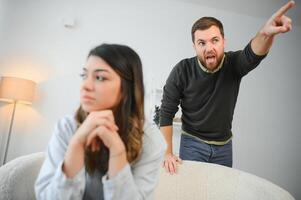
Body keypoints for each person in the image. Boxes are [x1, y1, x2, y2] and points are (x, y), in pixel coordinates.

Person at [160, 1, 295, 174]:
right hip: (192, 142)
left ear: (224, 41)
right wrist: (167, 153)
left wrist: (265, 34)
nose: (209, 48)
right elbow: (166, 111)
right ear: (194, 46)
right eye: (201, 43)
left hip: (224, 146)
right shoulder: (182, 70)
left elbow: (252, 54)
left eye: (214, 40)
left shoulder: (233, 64)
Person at [35, 43, 166, 199]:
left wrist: (118, 151)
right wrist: (76, 144)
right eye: (84, 76)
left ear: (126, 89)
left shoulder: (151, 140)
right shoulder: (67, 127)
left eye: (100, 77)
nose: (86, 86)